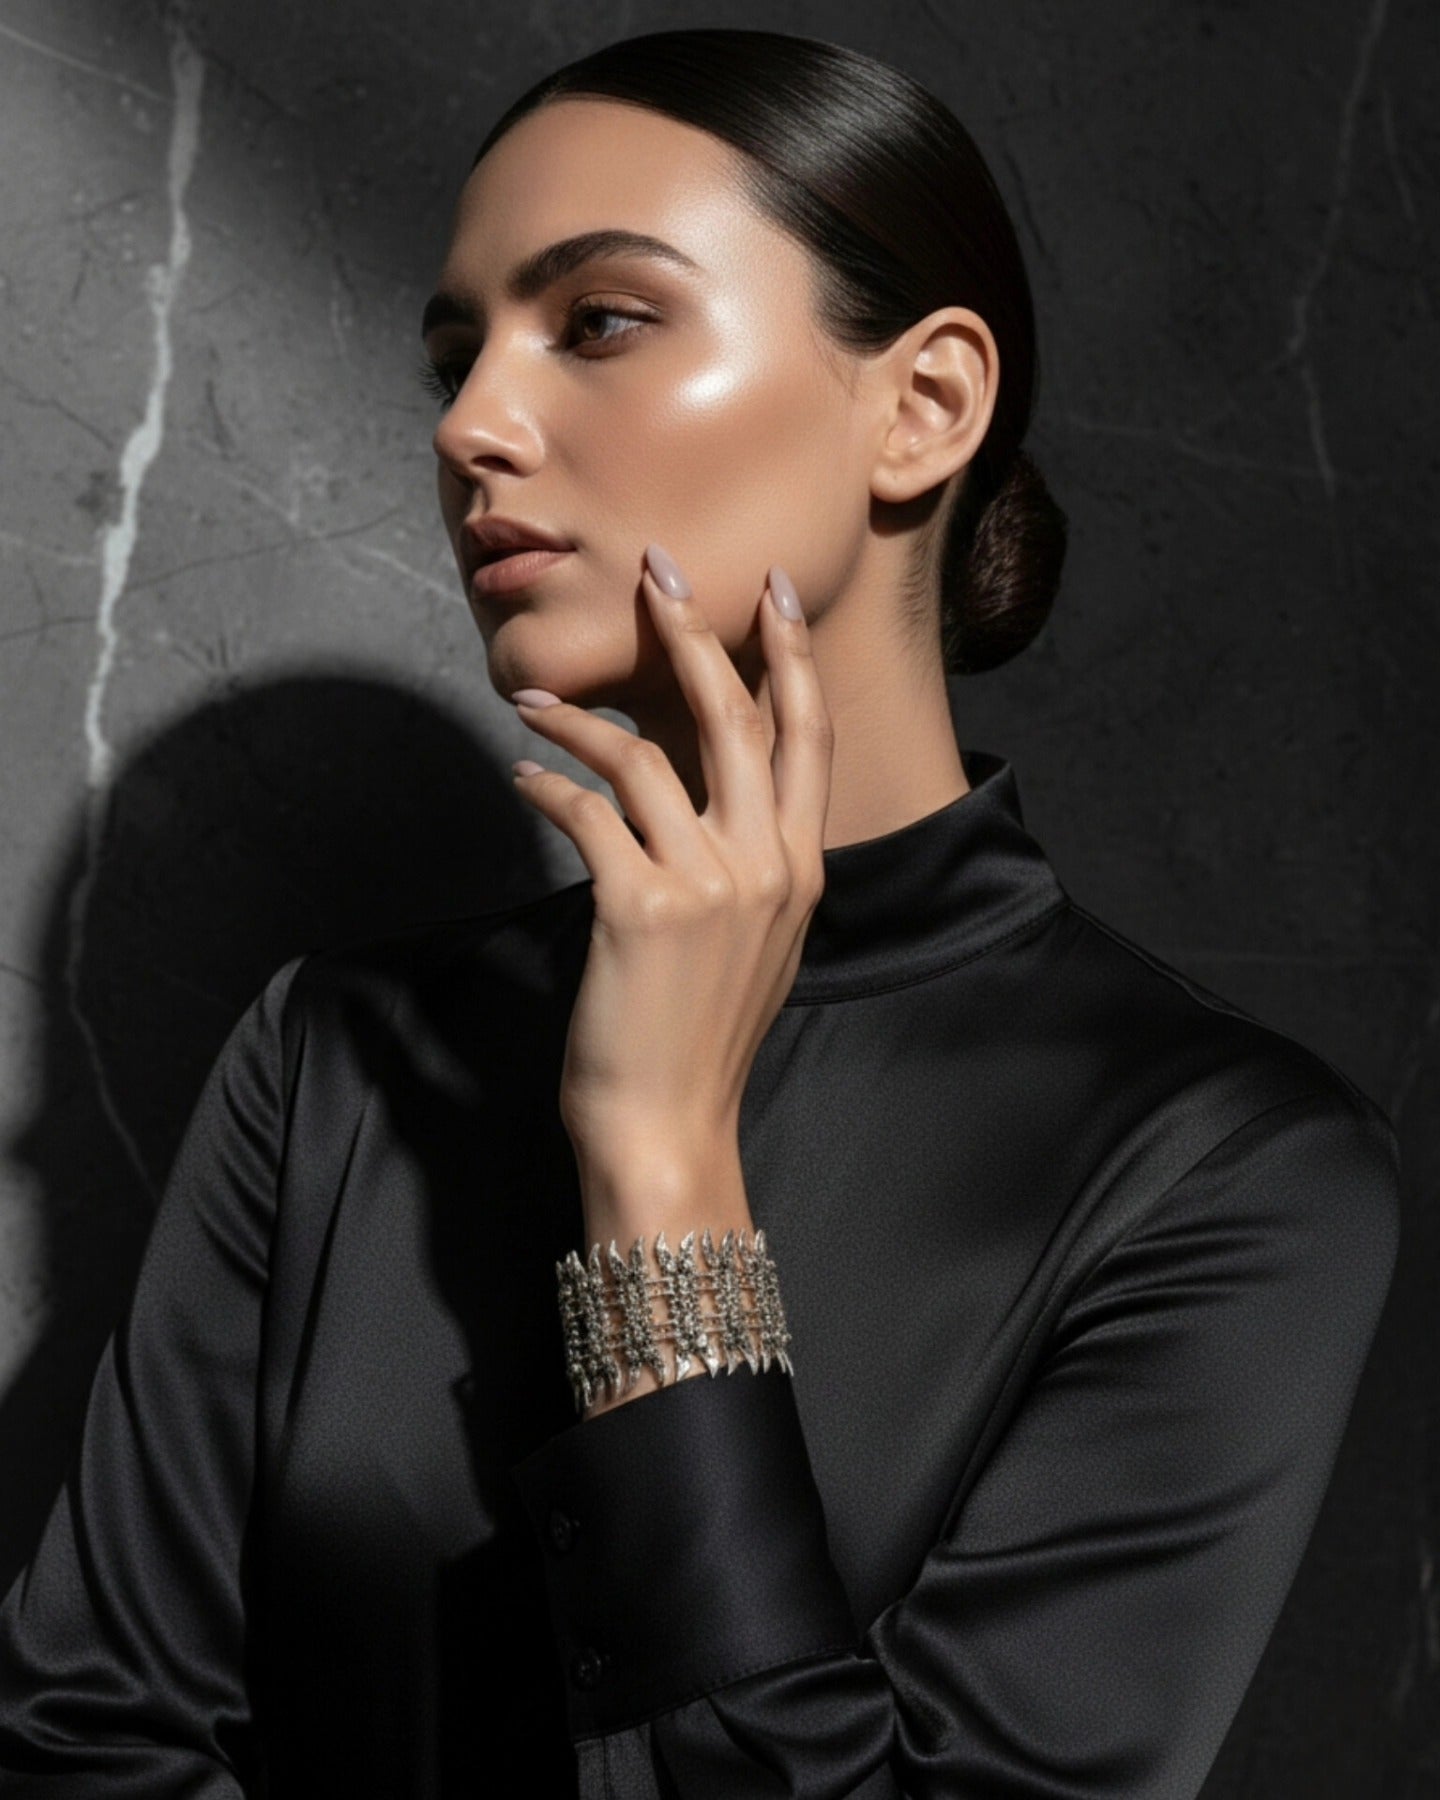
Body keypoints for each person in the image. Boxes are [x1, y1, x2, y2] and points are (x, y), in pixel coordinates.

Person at [0, 26, 1401, 1800]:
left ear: (925, 406)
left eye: (596, 321)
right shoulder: (340, 1057)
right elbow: (80, 1740)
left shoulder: (1229, 1166)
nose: (467, 425)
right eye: (455, 350)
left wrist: (661, 1166)